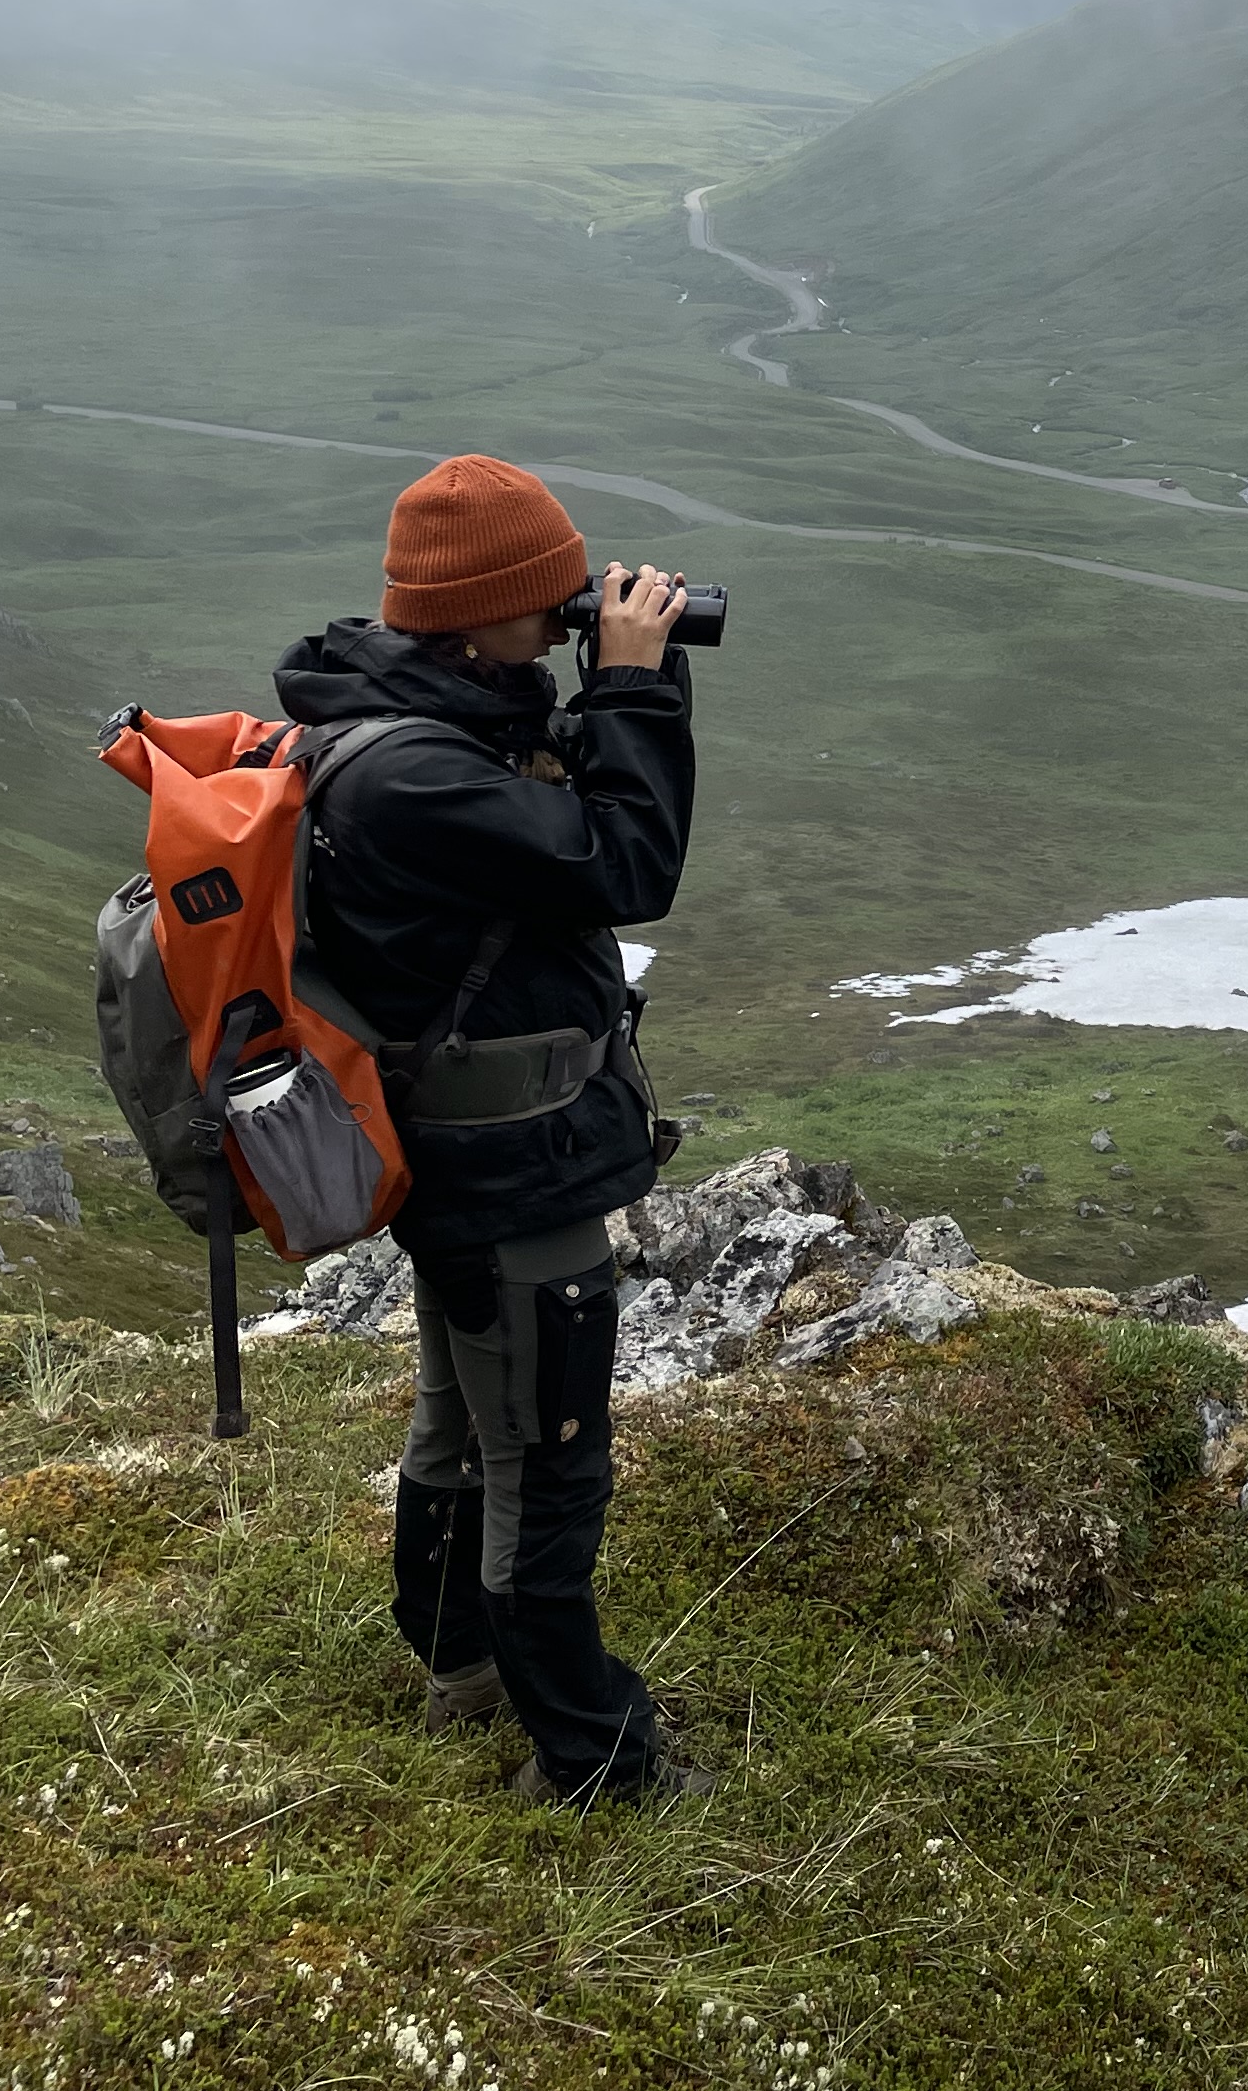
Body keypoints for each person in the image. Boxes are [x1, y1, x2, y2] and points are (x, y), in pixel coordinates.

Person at [270, 452, 710, 1808]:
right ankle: (590, 1758)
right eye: (555, 597)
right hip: (505, 1172)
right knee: (549, 1459)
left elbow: (565, 818)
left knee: (469, 1428)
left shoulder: (413, 717)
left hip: (469, 1160)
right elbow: (627, 866)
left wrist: (614, 690)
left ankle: (462, 1664)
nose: (576, 608)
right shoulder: (413, 778)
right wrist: (631, 683)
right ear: (479, 614)